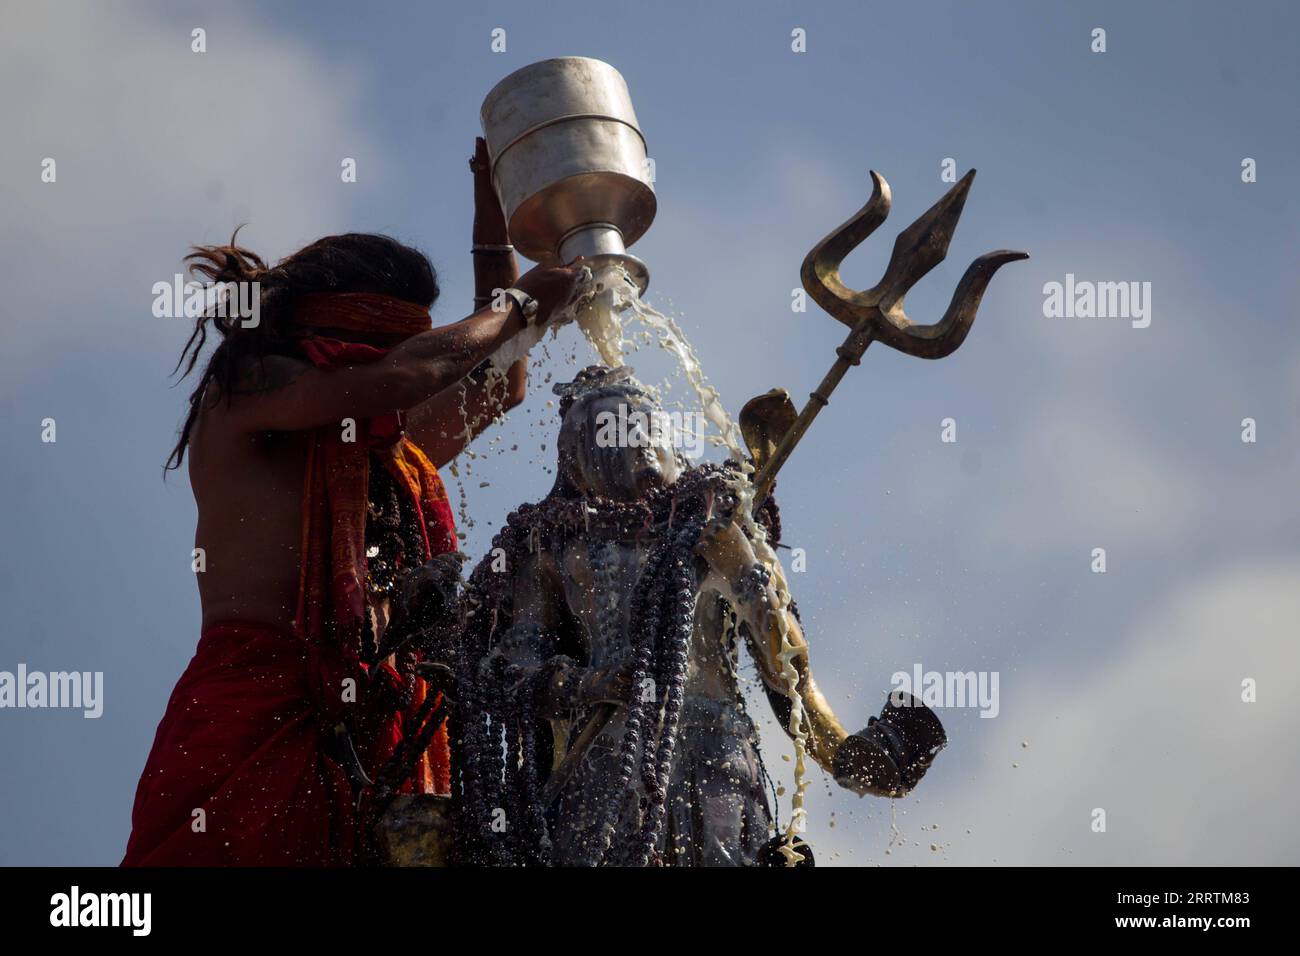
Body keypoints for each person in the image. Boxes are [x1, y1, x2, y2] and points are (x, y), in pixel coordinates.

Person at [122, 138, 581, 866]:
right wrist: (523, 306)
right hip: (251, 717)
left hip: (388, 727)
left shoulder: (385, 443)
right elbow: (401, 378)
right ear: (332, 333)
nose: (414, 362)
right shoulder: (245, 392)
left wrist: (492, 228)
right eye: (382, 345)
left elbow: (497, 384)